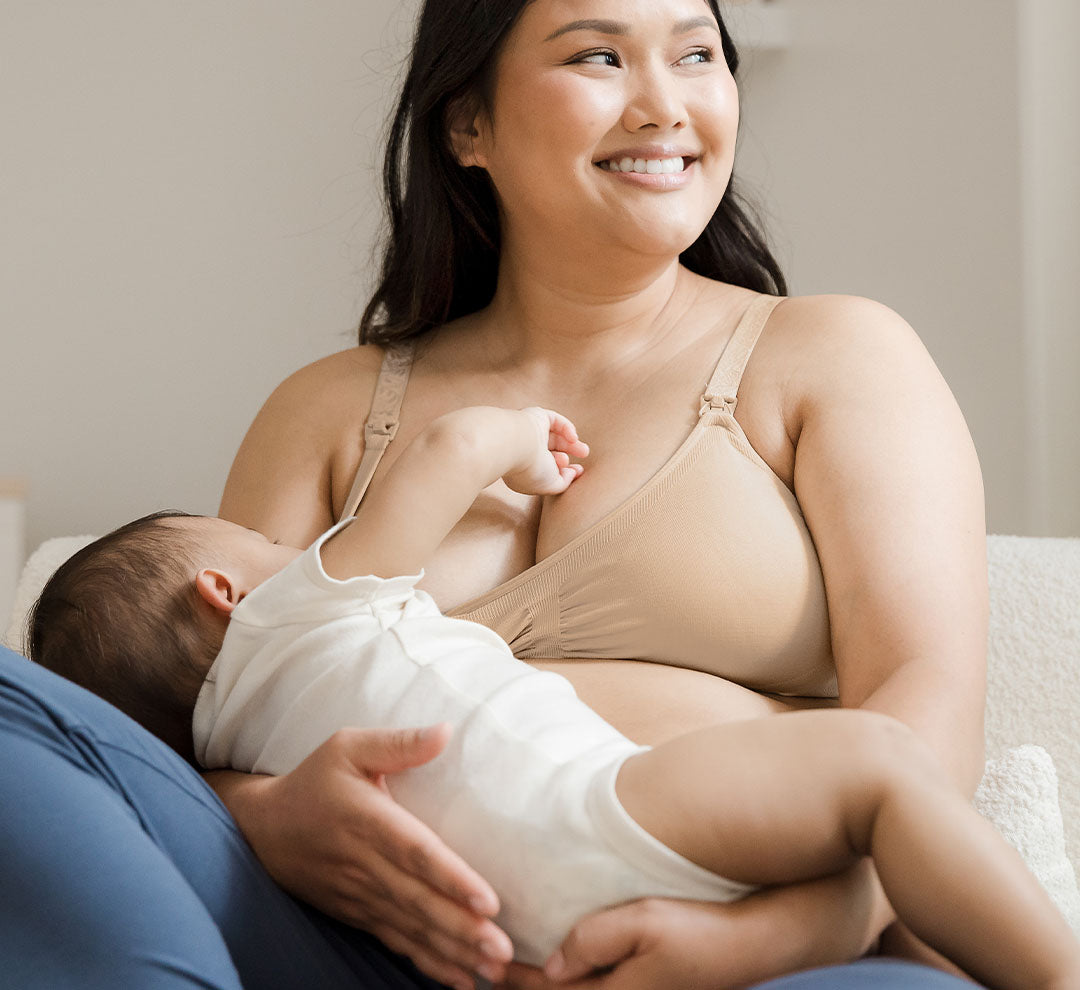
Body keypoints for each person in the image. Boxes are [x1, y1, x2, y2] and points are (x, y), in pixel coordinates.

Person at [1, 0, 991, 987]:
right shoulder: (330, 410)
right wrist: (268, 817)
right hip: (390, 945)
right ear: (466, 123)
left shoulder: (838, 355)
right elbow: (195, 715)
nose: (664, 103)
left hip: (776, 935)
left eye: (697, 54)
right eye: (601, 56)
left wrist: (773, 936)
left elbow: (925, 716)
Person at [27, 404, 1079, 990]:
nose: (286, 551)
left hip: (518, 936)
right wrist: (521, 438)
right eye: (260, 548)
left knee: (898, 907)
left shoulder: (237, 739)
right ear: (224, 591)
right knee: (881, 770)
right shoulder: (298, 607)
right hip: (609, 811)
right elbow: (442, 452)